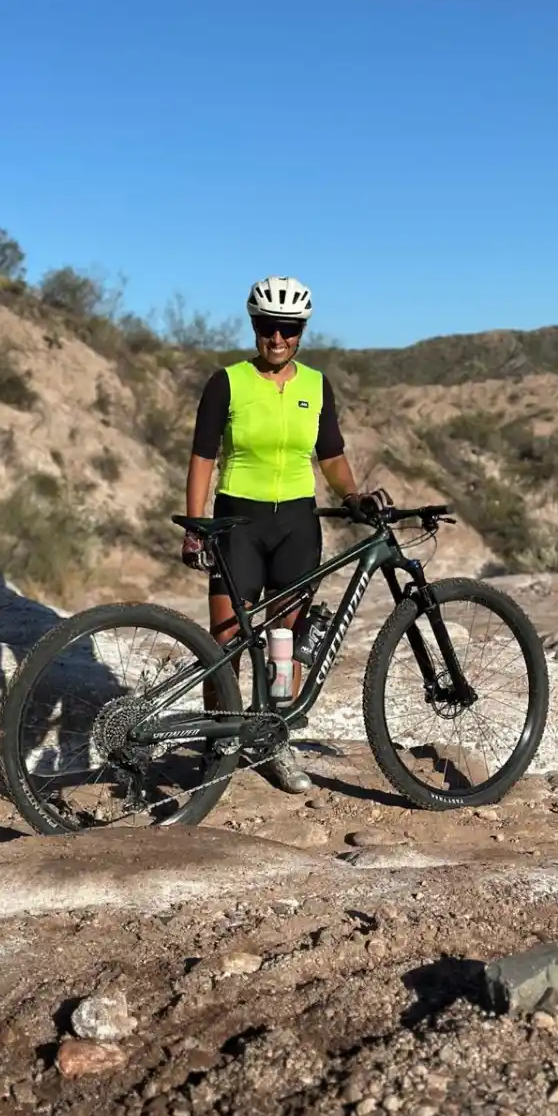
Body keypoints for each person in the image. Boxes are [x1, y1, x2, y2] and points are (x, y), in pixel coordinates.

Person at [181, 275, 386, 794]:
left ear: (300, 331)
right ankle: (220, 745)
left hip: (296, 523)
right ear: (254, 326)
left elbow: (331, 456)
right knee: (224, 640)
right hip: (237, 521)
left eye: (288, 329)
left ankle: (274, 743)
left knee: (283, 643)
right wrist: (195, 524)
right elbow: (203, 457)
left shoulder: (316, 385)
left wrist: (351, 495)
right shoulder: (226, 382)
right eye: (268, 327)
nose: (277, 338)